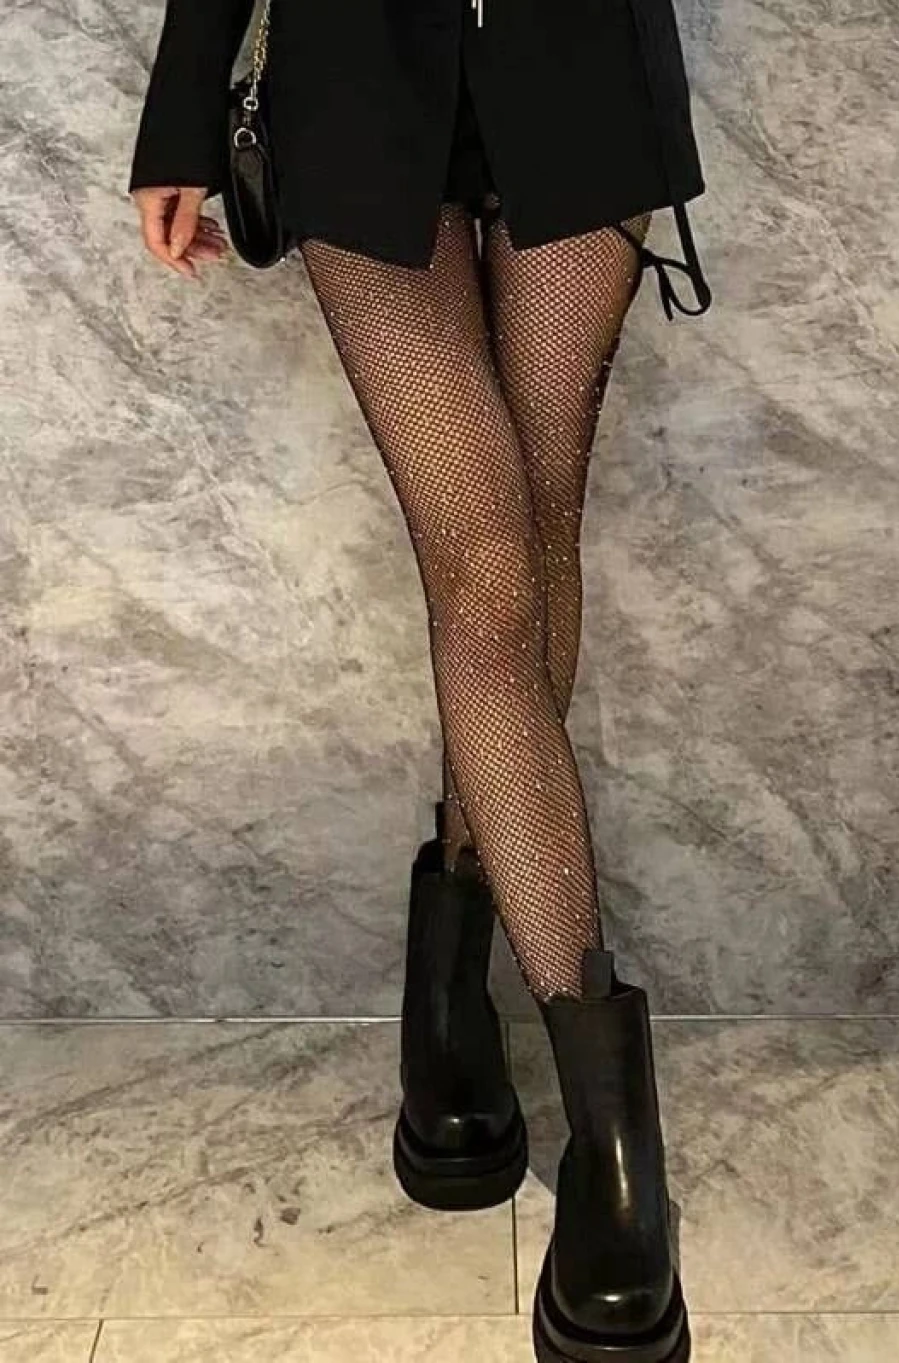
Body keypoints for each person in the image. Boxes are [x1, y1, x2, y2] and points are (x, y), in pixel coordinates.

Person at [127, 2, 712, 1359]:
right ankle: (609, 1128)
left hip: (579, 57)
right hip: (351, 74)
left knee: (536, 535)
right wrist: (181, 114)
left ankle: (461, 1010)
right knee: (484, 563)